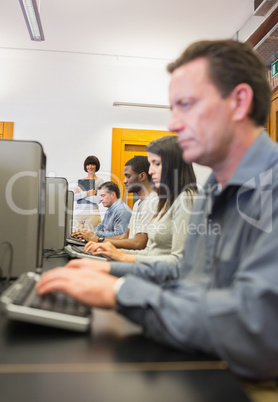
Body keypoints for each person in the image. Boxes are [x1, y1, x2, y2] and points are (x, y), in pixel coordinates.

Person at [37, 40, 278, 380]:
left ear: (238, 102)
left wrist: (121, 292)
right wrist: (109, 274)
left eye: (185, 105)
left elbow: (257, 334)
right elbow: (189, 276)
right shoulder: (216, 188)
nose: (173, 125)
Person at [85, 136, 196, 264]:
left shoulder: (185, 199)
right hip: (150, 267)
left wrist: (108, 246)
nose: (150, 171)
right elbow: (149, 252)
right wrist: (109, 249)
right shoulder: (165, 201)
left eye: (157, 164)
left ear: (173, 165)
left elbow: (178, 261)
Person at [74, 155, 158, 247]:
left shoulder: (151, 203)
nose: (124, 181)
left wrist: (98, 239)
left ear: (142, 176)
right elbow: (126, 236)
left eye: (128, 176)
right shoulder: (137, 204)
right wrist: (92, 235)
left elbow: (138, 244)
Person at [73, 155, 104, 230]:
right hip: (78, 214)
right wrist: (87, 193)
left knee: (90, 238)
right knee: (76, 237)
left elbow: (98, 200)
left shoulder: (100, 181)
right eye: (88, 164)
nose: (90, 166)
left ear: (96, 166)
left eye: (93, 164)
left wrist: (82, 194)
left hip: (92, 214)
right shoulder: (81, 181)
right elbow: (74, 197)